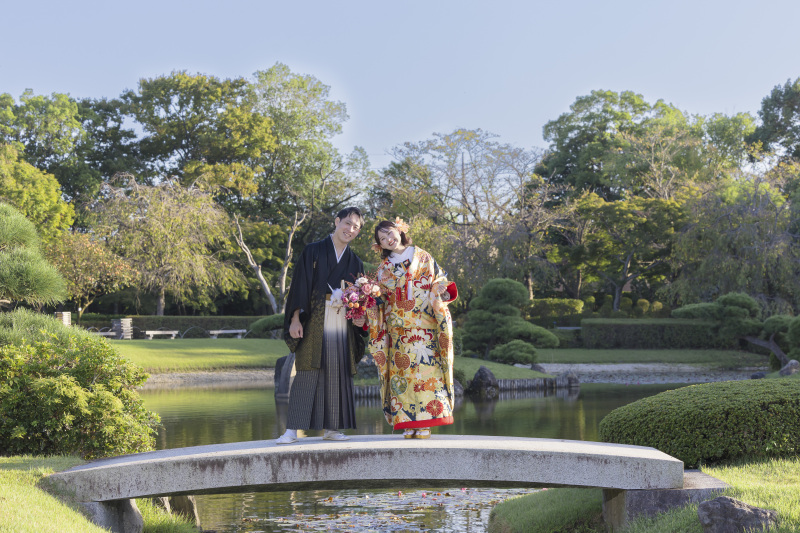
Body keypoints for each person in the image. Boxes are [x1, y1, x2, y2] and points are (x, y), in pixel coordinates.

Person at [276, 207, 367, 444]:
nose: (350, 229)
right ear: (337, 222)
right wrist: (295, 319)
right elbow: (300, 285)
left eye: (356, 227)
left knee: (337, 372)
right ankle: (291, 430)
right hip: (314, 318)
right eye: (347, 223)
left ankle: (332, 428)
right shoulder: (313, 251)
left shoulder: (355, 261)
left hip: (341, 321)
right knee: (307, 369)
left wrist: (360, 317)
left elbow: (360, 299)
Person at [363, 218, 457, 439]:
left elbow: (439, 278)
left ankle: (426, 422)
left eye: (390, 233)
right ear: (380, 245)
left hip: (425, 327)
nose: (388, 239)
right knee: (401, 375)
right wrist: (369, 299)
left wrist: (439, 287)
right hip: (398, 331)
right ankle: (408, 422)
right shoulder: (383, 269)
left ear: (400, 231)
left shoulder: (423, 256)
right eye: (382, 238)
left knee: (427, 373)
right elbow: (381, 299)